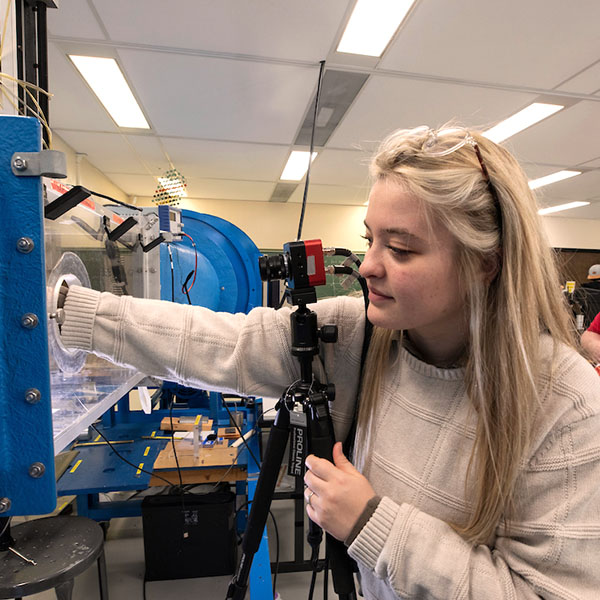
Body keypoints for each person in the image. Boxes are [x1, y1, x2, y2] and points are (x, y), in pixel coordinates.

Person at [59, 124, 600, 599]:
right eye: (370, 240)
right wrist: (71, 311)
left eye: (401, 249)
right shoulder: (360, 334)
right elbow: (222, 343)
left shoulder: (565, 403)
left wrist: (370, 522)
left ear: (485, 264)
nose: (367, 267)